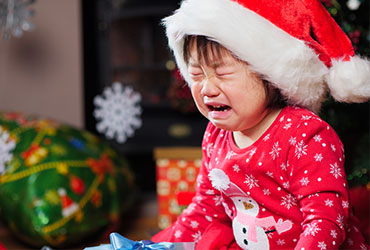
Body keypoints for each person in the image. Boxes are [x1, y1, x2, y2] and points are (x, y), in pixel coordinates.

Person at [152, 0, 370, 249]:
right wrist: (157, 246)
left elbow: (325, 221)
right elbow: (205, 209)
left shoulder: (305, 135)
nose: (207, 89)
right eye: (197, 76)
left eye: (222, 74)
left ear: (268, 74)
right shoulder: (216, 135)